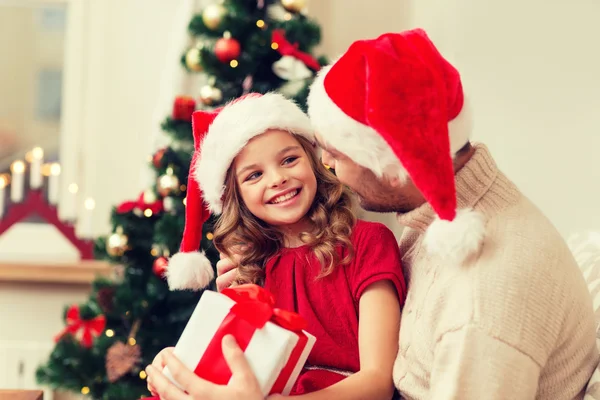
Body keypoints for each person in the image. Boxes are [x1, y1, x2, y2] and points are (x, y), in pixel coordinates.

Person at [215, 28, 600, 399]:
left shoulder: (480, 310)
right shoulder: (434, 218)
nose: (326, 165)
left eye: (337, 154)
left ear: (393, 168)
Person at [145, 92, 407, 400]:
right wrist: (177, 364)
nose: (278, 178)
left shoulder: (367, 243)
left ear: (313, 161)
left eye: (289, 160)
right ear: (236, 196)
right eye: (254, 175)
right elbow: (235, 369)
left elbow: (378, 383)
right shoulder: (246, 265)